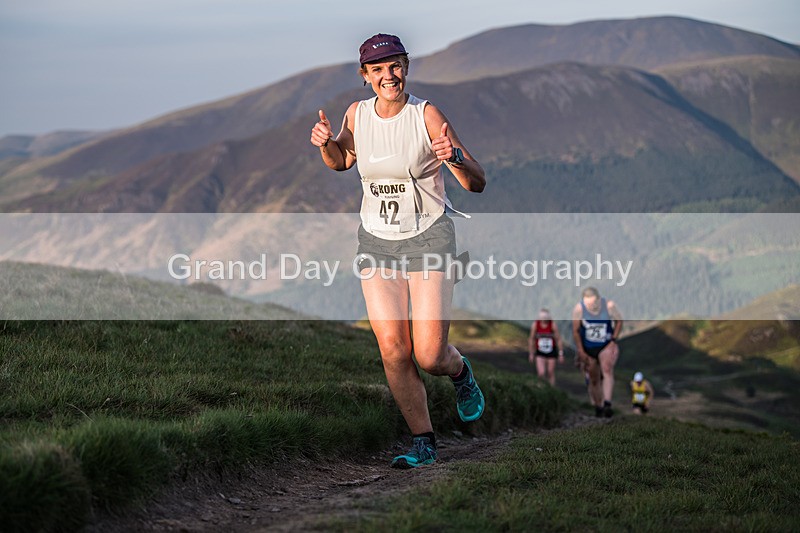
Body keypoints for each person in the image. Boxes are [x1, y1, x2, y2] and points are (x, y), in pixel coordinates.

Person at [309, 33, 486, 469]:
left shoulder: (425, 114)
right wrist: (326, 143)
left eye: (396, 66)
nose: (389, 76)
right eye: (378, 69)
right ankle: (423, 443)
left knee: (428, 354)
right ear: (365, 76)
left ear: (406, 66)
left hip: (429, 238)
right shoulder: (357, 114)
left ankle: (460, 372)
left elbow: (476, 181)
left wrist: (455, 156)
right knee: (392, 348)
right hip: (376, 242)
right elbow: (341, 161)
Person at [571, 287, 623, 417]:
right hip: (588, 348)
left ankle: (607, 404)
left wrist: (613, 340)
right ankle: (598, 406)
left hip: (605, 345)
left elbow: (619, 321)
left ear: (599, 300)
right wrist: (580, 350)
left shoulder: (609, 306)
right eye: (588, 304)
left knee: (606, 370)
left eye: (594, 303)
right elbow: (576, 331)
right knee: (594, 379)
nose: (592, 306)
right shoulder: (579, 309)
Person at [528, 308, 564, 386]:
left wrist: (561, 353)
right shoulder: (535, 325)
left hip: (551, 351)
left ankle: (552, 390)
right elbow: (531, 339)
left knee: (550, 372)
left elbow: (558, 339)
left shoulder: (552, 325)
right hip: (540, 351)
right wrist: (531, 353)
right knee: (541, 373)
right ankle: (541, 388)